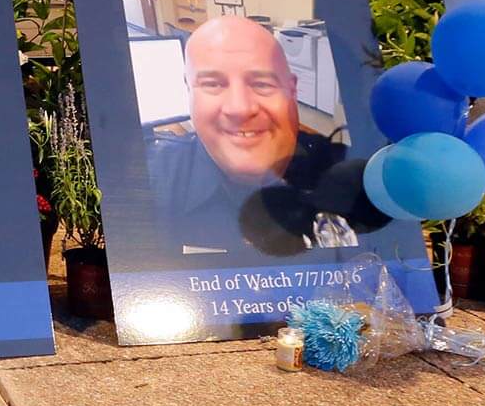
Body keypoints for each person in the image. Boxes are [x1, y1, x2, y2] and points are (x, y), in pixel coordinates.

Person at [147, 16, 368, 257]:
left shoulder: (356, 181)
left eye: (262, 84)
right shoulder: (147, 181)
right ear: (189, 90)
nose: (240, 108)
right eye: (212, 84)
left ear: (292, 90)